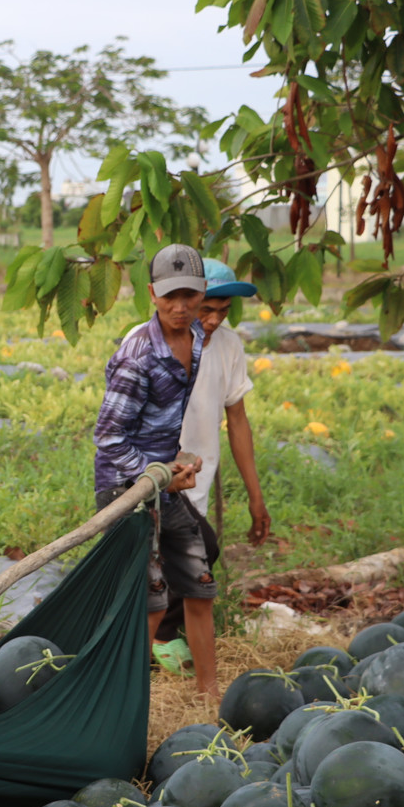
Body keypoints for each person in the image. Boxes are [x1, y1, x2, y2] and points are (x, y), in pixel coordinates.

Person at [94, 242, 220, 698]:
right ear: (152, 293)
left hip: (164, 483)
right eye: (170, 296)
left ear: (202, 292)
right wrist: (157, 474)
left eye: (189, 295)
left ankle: (210, 696)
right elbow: (107, 436)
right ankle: (124, 701)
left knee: (200, 584)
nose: (180, 306)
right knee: (151, 600)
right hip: (125, 489)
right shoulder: (138, 356)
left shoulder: (200, 338)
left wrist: (176, 467)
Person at [153, 259, 272, 667]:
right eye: (208, 309)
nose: (215, 319)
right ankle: (158, 639)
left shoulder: (228, 346)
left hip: (196, 480)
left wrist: (256, 497)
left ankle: (158, 642)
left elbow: (237, 421)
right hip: (159, 478)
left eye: (223, 310)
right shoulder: (149, 343)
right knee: (199, 549)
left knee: (186, 559)